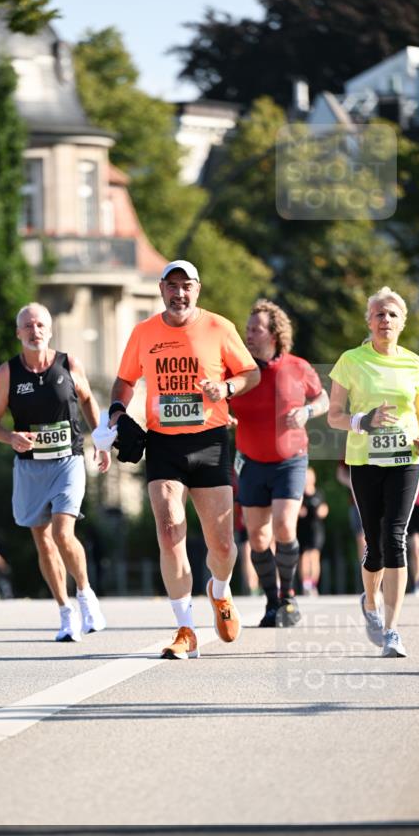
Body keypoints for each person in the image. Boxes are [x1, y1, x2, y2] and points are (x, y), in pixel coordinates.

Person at [105, 260, 260, 659]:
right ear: (161, 289)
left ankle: (220, 591)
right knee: (170, 528)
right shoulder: (144, 332)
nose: (179, 293)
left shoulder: (218, 327)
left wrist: (224, 387)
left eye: (186, 286)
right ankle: (185, 628)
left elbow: (251, 373)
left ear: (198, 289)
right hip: (163, 444)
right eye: (172, 286)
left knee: (223, 545)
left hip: (210, 440)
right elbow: (125, 381)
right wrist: (118, 414)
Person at [0, 302, 110, 641]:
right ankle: (65, 612)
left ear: (50, 330)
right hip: (30, 467)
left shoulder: (68, 363)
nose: (34, 331)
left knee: (63, 533)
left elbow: (86, 399)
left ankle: (85, 595)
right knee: (43, 541)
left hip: (68, 460)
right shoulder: (8, 373)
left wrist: (99, 438)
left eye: (40, 325)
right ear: (18, 333)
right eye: (27, 326)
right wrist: (11, 437)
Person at [328, 286, 419, 657]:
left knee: (396, 538)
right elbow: (334, 416)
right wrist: (365, 420)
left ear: (401, 322)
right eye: (379, 313)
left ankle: (392, 630)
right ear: (369, 321)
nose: (385, 320)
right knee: (374, 546)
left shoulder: (416, 364)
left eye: (392, 314)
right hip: (365, 461)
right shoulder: (350, 361)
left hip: (406, 461)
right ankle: (370, 602)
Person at [231, 299, 329, 627]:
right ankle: (272, 602)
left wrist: (306, 412)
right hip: (251, 462)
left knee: (285, 525)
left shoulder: (297, 366)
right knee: (258, 538)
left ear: (274, 334)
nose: (249, 334)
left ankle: (288, 596)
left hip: (290, 461)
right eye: (247, 329)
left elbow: (323, 398)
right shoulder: (238, 371)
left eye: (255, 329)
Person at [297, 466, 329, 595]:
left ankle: (314, 585)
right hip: (302, 529)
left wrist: (323, 511)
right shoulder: (299, 494)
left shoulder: (319, 493)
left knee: (314, 556)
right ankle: (306, 584)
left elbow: (325, 508)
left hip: (316, 530)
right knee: (304, 556)